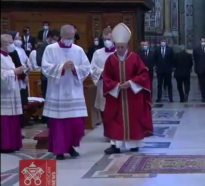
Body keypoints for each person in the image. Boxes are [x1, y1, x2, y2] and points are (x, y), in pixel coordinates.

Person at [41, 24, 91, 160]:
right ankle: (59, 151)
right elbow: (45, 68)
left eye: (72, 37)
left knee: (76, 124)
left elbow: (86, 67)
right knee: (59, 124)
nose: (70, 40)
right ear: (61, 36)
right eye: (68, 37)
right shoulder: (50, 49)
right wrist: (62, 67)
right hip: (57, 92)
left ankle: (71, 146)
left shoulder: (78, 50)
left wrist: (75, 69)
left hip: (74, 91)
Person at [102, 23, 153, 154]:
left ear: (127, 46)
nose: (119, 49)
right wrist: (116, 85)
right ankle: (115, 145)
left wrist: (131, 83)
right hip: (116, 96)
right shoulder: (110, 59)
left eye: (122, 47)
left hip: (133, 95)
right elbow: (106, 76)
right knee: (114, 119)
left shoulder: (134, 57)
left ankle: (134, 144)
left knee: (134, 119)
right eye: (118, 47)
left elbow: (143, 74)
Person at [90, 28, 116, 136]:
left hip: (115, 86)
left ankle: (115, 132)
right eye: (105, 39)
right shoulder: (98, 53)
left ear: (113, 39)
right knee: (104, 109)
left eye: (109, 39)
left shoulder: (118, 52)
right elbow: (92, 68)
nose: (107, 41)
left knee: (114, 110)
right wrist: (102, 72)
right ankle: (107, 132)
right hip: (102, 85)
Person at [1, 34, 24, 153]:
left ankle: (13, 143)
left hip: (11, 91)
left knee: (13, 118)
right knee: (5, 119)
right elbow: (1, 75)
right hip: (3, 94)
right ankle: (5, 145)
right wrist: (14, 71)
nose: (12, 45)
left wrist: (18, 70)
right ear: (3, 44)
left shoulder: (8, 57)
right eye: (10, 43)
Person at [36, 29, 60, 127]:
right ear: (49, 37)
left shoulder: (55, 47)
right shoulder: (43, 47)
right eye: (55, 39)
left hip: (55, 75)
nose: (56, 41)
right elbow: (38, 61)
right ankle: (48, 121)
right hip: (47, 77)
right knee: (48, 98)